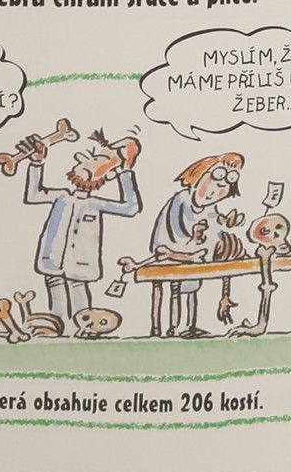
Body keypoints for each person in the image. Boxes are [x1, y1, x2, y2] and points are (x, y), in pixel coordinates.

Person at [23, 129, 141, 328]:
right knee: (56, 294)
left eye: (96, 161)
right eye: (91, 159)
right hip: (52, 258)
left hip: (80, 263)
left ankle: (83, 329)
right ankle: (59, 329)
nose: (87, 163)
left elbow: (131, 208)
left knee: (79, 297)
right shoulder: (62, 197)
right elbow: (33, 195)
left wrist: (126, 172)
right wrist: (37, 163)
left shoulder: (94, 204)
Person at [146, 151, 244, 338]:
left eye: (226, 185)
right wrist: (194, 238)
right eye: (213, 181)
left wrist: (226, 222)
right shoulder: (181, 199)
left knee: (192, 291)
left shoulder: (209, 207)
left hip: (195, 256)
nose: (216, 191)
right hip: (171, 251)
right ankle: (173, 328)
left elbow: (214, 222)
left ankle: (189, 325)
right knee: (176, 289)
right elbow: (176, 229)